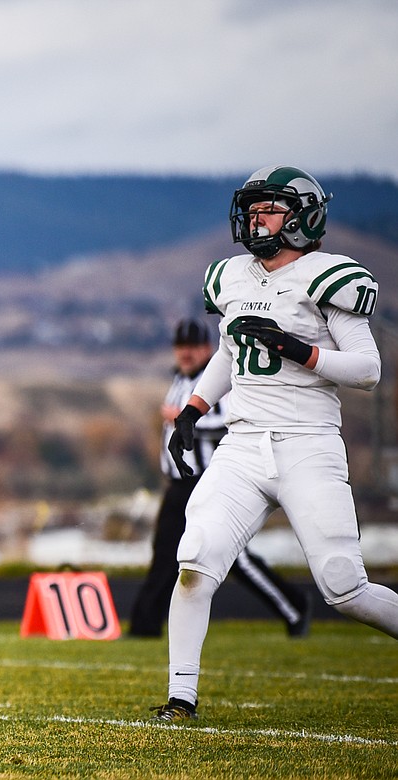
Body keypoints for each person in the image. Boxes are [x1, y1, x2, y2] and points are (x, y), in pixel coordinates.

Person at [152, 165, 398, 723]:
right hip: (243, 444)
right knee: (194, 560)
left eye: (270, 210)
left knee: (344, 586)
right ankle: (180, 698)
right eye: (253, 209)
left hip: (308, 444)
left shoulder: (327, 276)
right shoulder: (233, 276)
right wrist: (194, 409)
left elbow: (367, 370)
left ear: (303, 217)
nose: (256, 220)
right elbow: (229, 353)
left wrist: (299, 349)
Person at [129, 317, 311, 639]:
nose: (185, 354)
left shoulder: (215, 382)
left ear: (206, 349)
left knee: (235, 560)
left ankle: (294, 606)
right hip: (178, 485)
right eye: (180, 347)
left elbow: (228, 422)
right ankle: (144, 626)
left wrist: (185, 420)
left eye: (192, 347)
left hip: (208, 481)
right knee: (165, 554)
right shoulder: (179, 380)